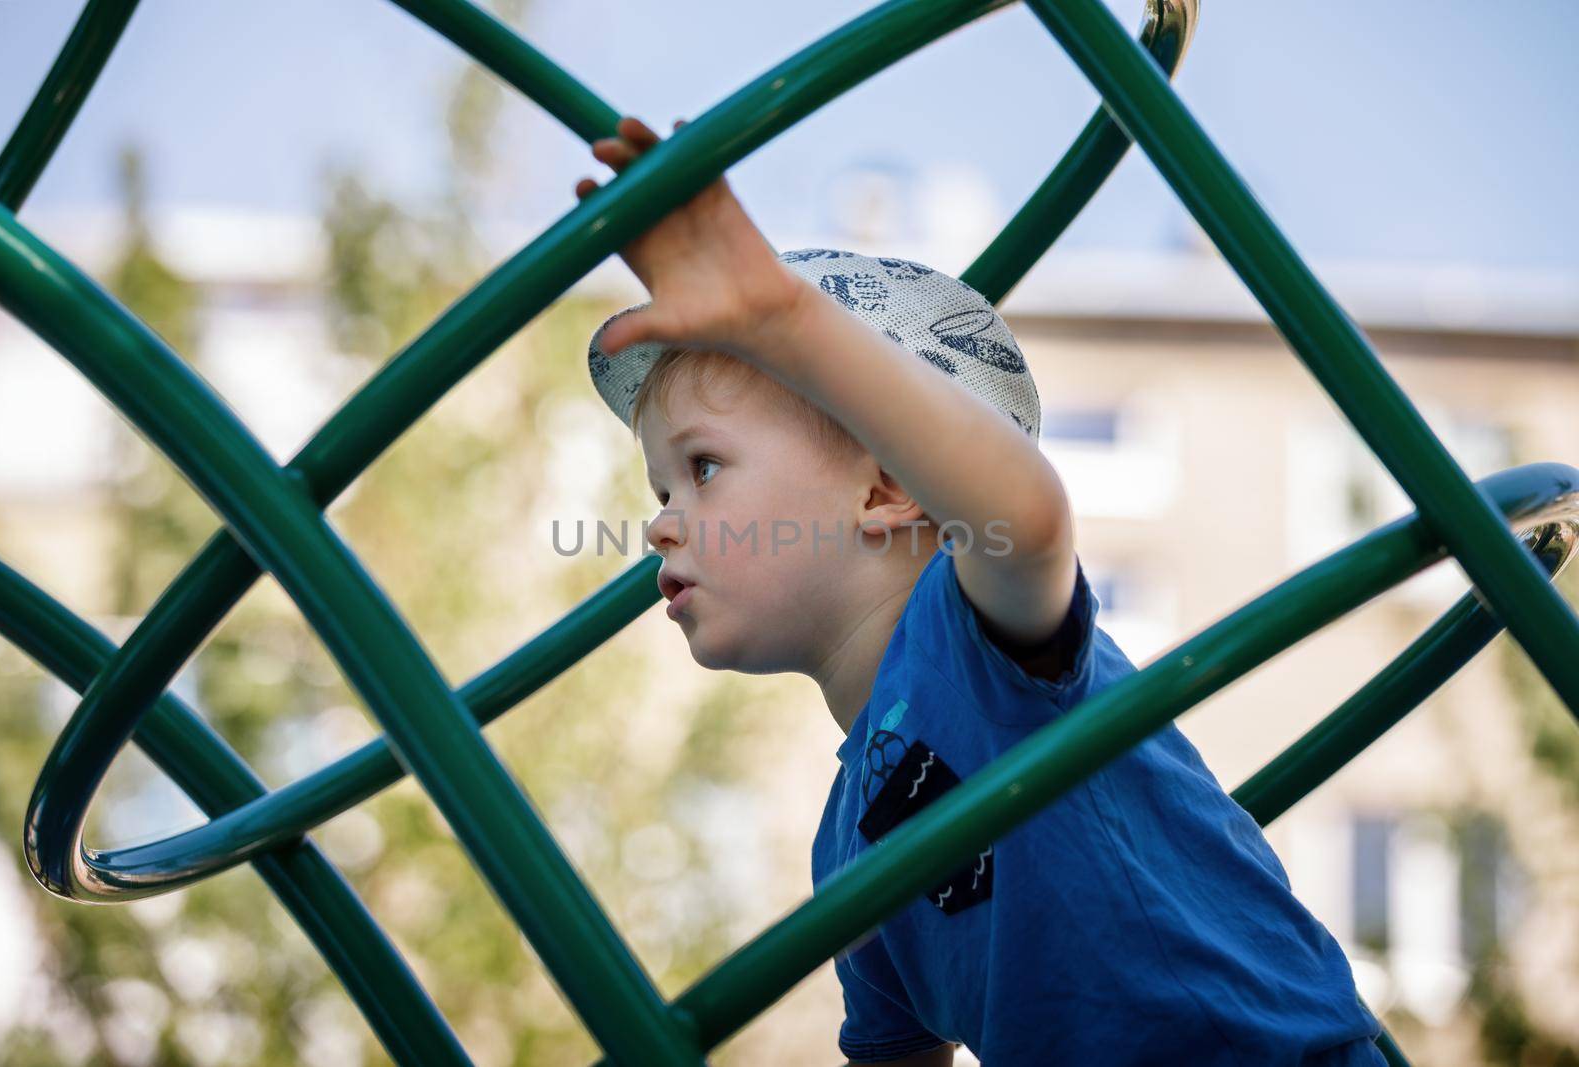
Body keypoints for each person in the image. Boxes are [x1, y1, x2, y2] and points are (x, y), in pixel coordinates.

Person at [576, 116, 1386, 1066]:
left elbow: (1028, 518)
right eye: (660, 490)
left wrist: (782, 321)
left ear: (886, 487)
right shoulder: (845, 846)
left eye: (703, 468)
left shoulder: (979, 637)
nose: (662, 523)